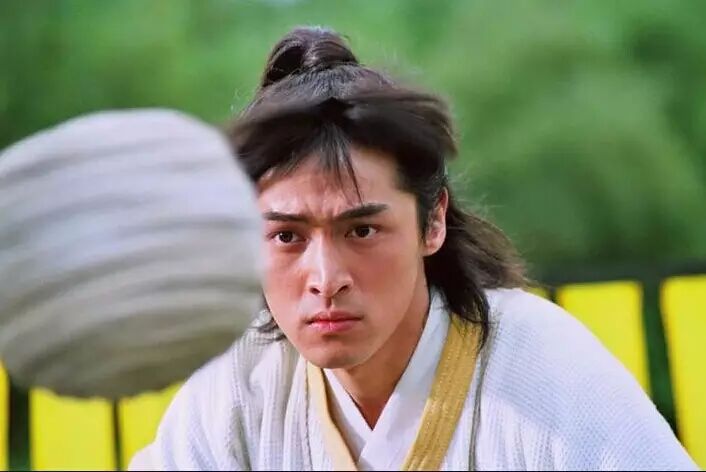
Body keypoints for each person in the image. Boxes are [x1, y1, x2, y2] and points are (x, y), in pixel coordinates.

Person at [131, 27, 697, 470]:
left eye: (361, 231)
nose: (325, 277)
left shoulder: (543, 366)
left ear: (433, 221)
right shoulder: (241, 382)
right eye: (286, 236)